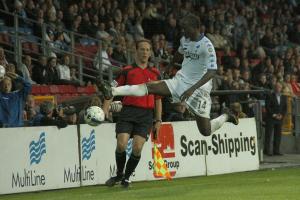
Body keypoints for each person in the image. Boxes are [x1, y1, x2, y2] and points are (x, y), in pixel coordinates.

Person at [99, 14, 238, 138]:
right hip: (181, 80)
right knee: (151, 87)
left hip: (199, 89)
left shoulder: (207, 46)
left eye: (186, 28)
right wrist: (171, 65)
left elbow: (212, 71)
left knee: (205, 131)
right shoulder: (185, 39)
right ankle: (112, 90)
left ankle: (226, 116)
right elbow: (180, 52)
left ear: (196, 28)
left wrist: (192, 89)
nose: (183, 32)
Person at [102, 39, 162, 188]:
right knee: (121, 144)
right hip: (128, 112)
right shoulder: (127, 70)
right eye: (142, 49)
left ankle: (126, 178)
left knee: (137, 148)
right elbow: (111, 90)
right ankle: (120, 173)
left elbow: (158, 99)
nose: (145, 52)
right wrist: (105, 109)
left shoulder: (155, 73)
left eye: (148, 50)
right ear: (136, 51)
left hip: (146, 115)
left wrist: (158, 120)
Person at [264, 82, 287, 156]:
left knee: (278, 135)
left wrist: (282, 115)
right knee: (268, 135)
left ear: (281, 88)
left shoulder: (283, 97)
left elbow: (285, 108)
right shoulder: (270, 96)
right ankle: (267, 150)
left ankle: (276, 150)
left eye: (279, 87)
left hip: (279, 118)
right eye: (277, 87)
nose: (278, 88)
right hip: (271, 118)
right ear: (274, 88)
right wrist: (274, 115)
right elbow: (268, 107)